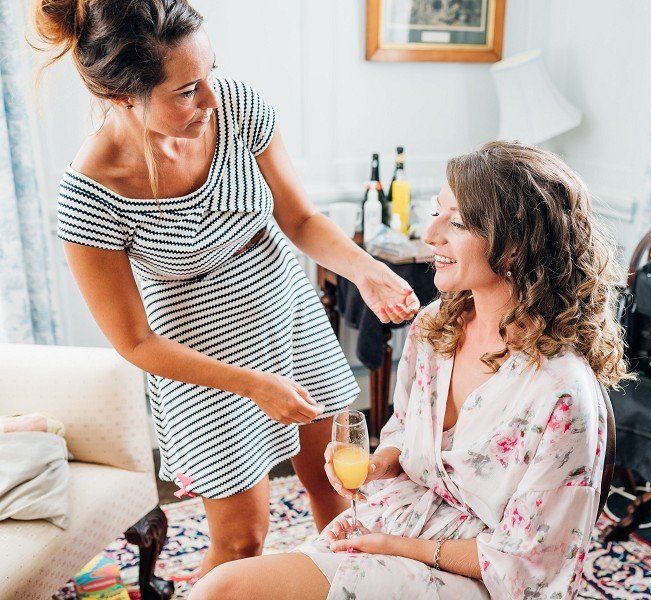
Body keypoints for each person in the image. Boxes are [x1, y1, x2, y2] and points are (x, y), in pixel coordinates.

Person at [31, 0, 419, 578]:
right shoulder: (89, 195)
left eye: (209, 73)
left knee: (339, 489)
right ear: (122, 99)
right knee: (242, 542)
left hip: (288, 319)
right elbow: (135, 343)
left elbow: (301, 220)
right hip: (202, 363)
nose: (211, 97)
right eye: (186, 90)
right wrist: (254, 385)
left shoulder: (236, 107)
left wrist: (364, 268)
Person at [189, 140, 630, 599]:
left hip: (479, 575)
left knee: (223, 590)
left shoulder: (561, 389)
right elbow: (404, 428)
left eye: (456, 222)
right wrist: (382, 460)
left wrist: (395, 547)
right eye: (435, 212)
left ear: (514, 246)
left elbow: (530, 562)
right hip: (401, 516)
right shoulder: (434, 327)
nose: (430, 234)